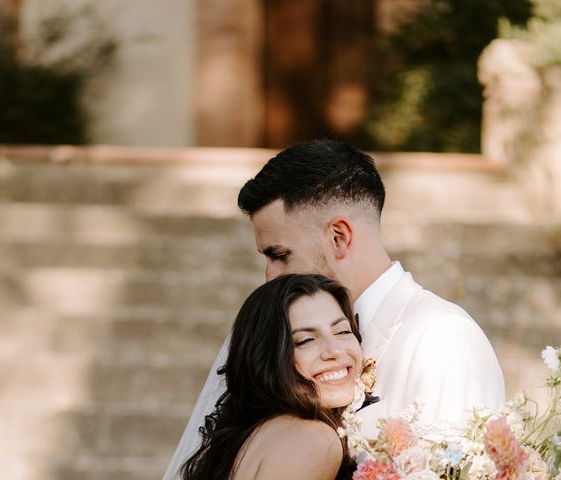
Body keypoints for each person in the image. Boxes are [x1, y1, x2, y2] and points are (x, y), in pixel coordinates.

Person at [164, 140, 506, 479]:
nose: (269, 276)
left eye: (280, 254)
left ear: (339, 237)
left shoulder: (441, 338)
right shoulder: (286, 363)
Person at [181, 273, 371, 480]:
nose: (335, 351)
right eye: (305, 340)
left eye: (343, 331)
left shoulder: (256, 435)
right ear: (267, 359)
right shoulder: (313, 440)